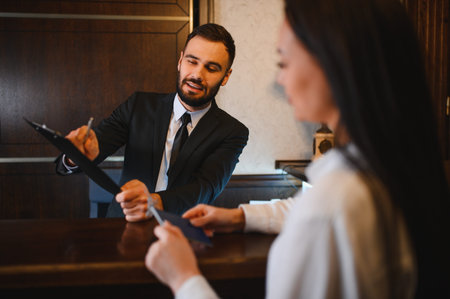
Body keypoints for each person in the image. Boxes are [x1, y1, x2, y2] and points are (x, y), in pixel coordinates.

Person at [144, 0, 450, 298]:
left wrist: (183, 277)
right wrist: (238, 217)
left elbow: (320, 212)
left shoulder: (333, 203)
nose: (280, 79)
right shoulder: (386, 169)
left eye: (284, 62)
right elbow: (306, 208)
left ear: (335, 64)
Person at [55, 23, 249, 221]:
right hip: (122, 223)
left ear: (226, 76)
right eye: (192, 61)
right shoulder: (138, 105)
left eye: (211, 68)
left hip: (184, 232)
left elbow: (206, 188)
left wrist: (154, 202)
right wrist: (75, 155)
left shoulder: (232, 132)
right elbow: (98, 142)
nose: (197, 75)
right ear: (180, 61)